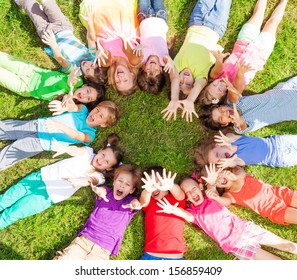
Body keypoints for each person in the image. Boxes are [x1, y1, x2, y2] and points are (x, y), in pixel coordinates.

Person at [0, 134, 123, 230]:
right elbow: (76, 150)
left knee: (12, 214)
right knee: (6, 198)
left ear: (109, 168)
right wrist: (65, 149)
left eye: (106, 162)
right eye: (103, 155)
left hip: (47, 196)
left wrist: (79, 181)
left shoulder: (99, 176)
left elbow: (90, 180)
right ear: (100, 150)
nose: (101, 160)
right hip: (39, 177)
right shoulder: (88, 152)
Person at [157, 176, 297, 260]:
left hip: (244, 229)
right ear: (186, 197)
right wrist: (173, 210)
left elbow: (219, 195)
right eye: (187, 192)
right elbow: (185, 215)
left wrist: (214, 190)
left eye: (193, 188)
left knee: (289, 246)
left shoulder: (210, 196)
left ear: (200, 187)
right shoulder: (195, 214)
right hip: (235, 245)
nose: (192, 193)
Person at [198, 0, 288, 105]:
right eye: (219, 90)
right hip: (261, 51)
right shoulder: (235, 89)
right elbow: (238, 81)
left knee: (258, 13)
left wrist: (219, 58)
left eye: (214, 85)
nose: (219, 84)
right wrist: (240, 73)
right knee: (273, 22)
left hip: (244, 41)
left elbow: (218, 65)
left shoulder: (215, 76)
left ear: (210, 83)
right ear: (223, 96)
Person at [161, 0, 232, 122]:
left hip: (197, 20)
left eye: (180, 83)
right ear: (194, 84)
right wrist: (190, 101)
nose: (184, 79)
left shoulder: (176, 66)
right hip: (216, 27)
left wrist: (174, 99)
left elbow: (175, 78)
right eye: (188, 84)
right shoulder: (201, 76)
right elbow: (197, 86)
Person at [53, 163, 142, 260]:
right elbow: (102, 190)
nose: (122, 186)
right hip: (84, 241)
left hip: (103, 251)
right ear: (114, 182)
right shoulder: (106, 192)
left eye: (127, 184)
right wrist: (99, 190)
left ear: (131, 190)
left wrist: (135, 203)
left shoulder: (129, 202)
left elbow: (136, 202)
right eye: (120, 181)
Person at [0, 100, 120, 171]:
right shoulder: (83, 110)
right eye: (97, 110)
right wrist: (65, 107)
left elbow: (76, 135)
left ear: (103, 124)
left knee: (12, 152)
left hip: (42, 142)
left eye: (100, 117)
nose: (95, 114)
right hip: (39, 125)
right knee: (9, 128)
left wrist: (60, 126)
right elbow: (72, 106)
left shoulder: (90, 134)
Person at [16, 0, 109, 84]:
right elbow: (91, 39)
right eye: (92, 65)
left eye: (87, 70)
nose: (87, 65)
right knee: (48, 3)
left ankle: (22, 3)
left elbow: (60, 59)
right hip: (63, 26)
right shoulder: (91, 56)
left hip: (49, 34)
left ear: (85, 76)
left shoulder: (75, 70)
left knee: (29, 4)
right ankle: (43, 9)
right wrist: (89, 22)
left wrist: (53, 44)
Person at [0, 51, 105, 111]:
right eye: (88, 91)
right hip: (30, 70)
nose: (84, 96)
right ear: (85, 85)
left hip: (25, 88)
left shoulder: (70, 102)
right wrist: (71, 84)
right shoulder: (78, 82)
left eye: (88, 99)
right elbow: (71, 76)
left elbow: (66, 100)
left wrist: (68, 99)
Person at [79, 0, 143, 95]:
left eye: (118, 82)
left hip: (99, 21)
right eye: (125, 80)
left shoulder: (106, 63)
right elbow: (127, 47)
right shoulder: (134, 61)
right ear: (132, 75)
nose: (120, 77)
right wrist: (124, 39)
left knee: (89, 5)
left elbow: (103, 53)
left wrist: (100, 51)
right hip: (119, 18)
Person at [201, 163, 297, 226]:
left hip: (280, 194)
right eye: (215, 180)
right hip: (274, 210)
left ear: (224, 170)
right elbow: (225, 202)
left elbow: (241, 171)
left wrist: (234, 176)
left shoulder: (237, 174)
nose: (219, 178)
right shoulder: (230, 195)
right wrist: (212, 187)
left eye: (218, 173)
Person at [198, 75, 297, 133]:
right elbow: (242, 126)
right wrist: (239, 121)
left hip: (285, 89)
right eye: (221, 118)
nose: (224, 113)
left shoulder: (231, 102)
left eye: (220, 110)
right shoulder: (238, 127)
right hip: (292, 108)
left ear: (222, 105)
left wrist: (240, 74)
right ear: (225, 124)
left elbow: (236, 89)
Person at [139, 166, 187, 260]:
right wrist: (147, 191)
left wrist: (171, 186)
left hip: (175, 257)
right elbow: (143, 201)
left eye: (158, 183)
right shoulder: (149, 203)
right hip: (150, 256)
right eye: (151, 185)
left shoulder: (175, 199)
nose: (155, 188)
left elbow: (180, 195)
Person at [194, 130, 297, 169]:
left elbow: (230, 137)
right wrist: (229, 162)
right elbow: (234, 163)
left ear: (217, 144)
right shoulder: (236, 160)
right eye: (218, 162)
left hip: (277, 142)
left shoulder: (232, 139)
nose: (221, 158)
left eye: (217, 154)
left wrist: (227, 142)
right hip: (278, 158)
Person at [136, 0, 174, 94]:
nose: (152, 66)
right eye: (156, 70)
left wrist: (138, 48)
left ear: (144, 68)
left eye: (148, 70)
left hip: (144, 17)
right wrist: (169, 61)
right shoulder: (163, 60)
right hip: (160, 16)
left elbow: (137, 51)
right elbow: (167, 58)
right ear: (161, 69)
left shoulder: (142, 59)